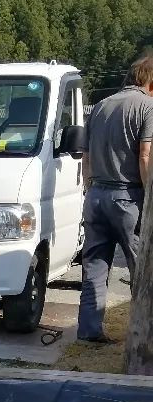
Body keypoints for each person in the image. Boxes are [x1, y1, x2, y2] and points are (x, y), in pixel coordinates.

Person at [79, 54, 153, 343]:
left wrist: (89, 188)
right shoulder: (147, 107)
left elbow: (85, 156)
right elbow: (146, 156)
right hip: (128, 197)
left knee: (94, 267)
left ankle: (88, 332)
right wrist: (149, 197)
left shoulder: (99, 106)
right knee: (142, 269)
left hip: (96, 195)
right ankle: (142, 337)